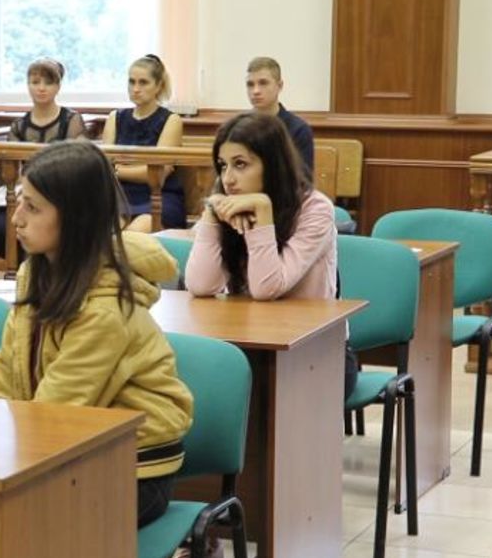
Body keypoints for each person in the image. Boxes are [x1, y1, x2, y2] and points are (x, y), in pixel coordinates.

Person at [0, 140, 193, 529]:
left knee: (15, 524)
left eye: (33, 207)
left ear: (75, 218)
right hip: (72, 451)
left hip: (136, 468)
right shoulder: (35, 273)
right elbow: (5, 374)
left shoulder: (105, 310)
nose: (16, 219)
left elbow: (57, 412)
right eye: (19, 201)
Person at [184, 112, 352, 397]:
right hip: (246, 344)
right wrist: (213, 214)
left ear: (272, 165)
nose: (228, 179)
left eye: (240, 165)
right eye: (223, 166)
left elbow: (266, 287)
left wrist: (262, 212)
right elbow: (200, 285)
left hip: (315, 355)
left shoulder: (315, 209)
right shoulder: (228, 204)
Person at [0, 58, 86, 258]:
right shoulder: (19, 125)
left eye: (48, 82)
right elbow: (13, 170)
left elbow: (76, 165)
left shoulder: (72, 121)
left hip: (62, 190)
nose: (41, 88)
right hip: (24, 189)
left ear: (58, 86)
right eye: (35, 82)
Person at [101, 54, 185, 232]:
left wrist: (117, 170)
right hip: (119, 195)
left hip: (158, 196)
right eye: (131, 82)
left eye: (143, 82)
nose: (136, 88)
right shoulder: (115, 117)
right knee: (105, 235)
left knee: (133, 236)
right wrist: (131, 169)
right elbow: (104, 167)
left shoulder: (171, 120)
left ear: (158, 86)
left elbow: (158, 174)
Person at [245, 56, 315, 176]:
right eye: (250, 84)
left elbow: (303, 180)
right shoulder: (239, 128)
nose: (255, 91)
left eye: (263, 83)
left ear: (280, 85)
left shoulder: (298, 130)